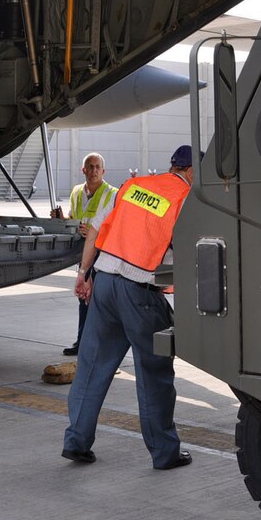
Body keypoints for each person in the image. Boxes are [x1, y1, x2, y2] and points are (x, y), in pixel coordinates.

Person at [62, 145, 194, 470]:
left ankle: (76, 441)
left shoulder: (134, 187)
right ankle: (165, 452)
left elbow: (95, 229)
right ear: (192, 172)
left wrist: (83, 274)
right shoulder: (187, 199)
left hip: (105, 282)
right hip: (140, 292)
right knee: (154, 373)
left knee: (92, 365)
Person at [54, 152, 117, 355]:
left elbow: (115, 226)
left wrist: (94, 232)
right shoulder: (76, 192)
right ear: (83, 170)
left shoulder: (112, 194)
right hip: (84, 253)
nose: (94, 171)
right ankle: (83, 343)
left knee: (99, 301)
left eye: (97, 167)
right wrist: (62, 219)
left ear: (103, 171)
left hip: (103, 253)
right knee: (84, 299)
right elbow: (74, 218)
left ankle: (99, 345)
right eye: (90, 167)